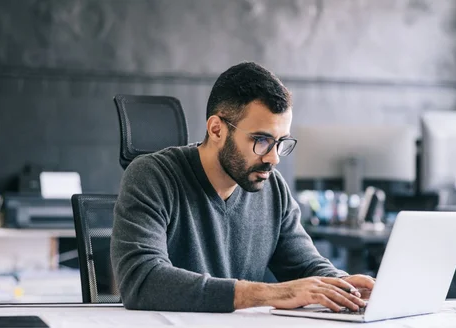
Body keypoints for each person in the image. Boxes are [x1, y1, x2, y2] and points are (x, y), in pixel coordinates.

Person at [111, 62, 374, 313]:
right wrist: (271, 294)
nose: (274, 158)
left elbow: (305, 266)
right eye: (261, 140)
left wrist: (348, 287)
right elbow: (142, 281)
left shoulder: (274, 189)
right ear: (216, 130)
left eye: (281, 142)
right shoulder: (152, 177)